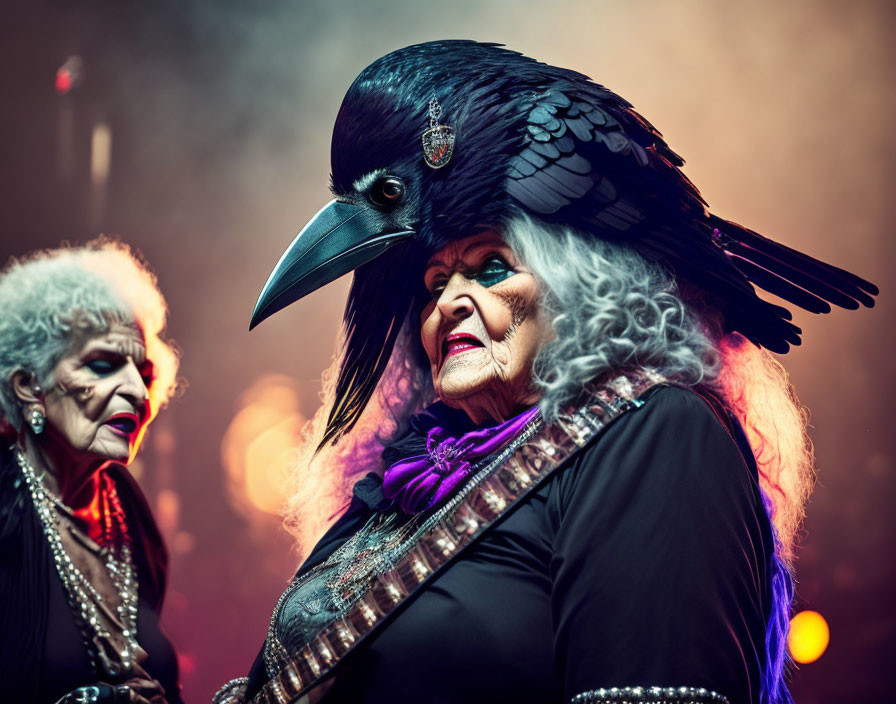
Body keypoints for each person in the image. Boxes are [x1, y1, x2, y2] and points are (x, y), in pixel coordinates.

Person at [217, 41, 877, 704]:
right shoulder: (404, 481)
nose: (448, 302)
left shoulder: (657, 435)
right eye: (434, 283)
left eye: (493, 269)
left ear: (584, 289)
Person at [0, 240, 183, 704]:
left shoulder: (128, 510)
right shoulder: (6, 508)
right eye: (102, 365)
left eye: (143, 374)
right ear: (27, 387)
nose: (138, 394)